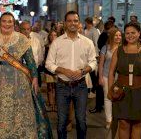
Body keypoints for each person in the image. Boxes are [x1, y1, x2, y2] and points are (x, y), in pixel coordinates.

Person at [0, 12, 52, 138]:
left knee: (18, 112)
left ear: (14, 24)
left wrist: (35, 78)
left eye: (10, 21)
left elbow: (30, 62)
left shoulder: (22, 39)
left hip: (18, 81)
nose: (7, 24)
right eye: (4, 21)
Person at [46, 11, 97, 139]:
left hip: (80, 85)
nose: (72, 23)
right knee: (61, 121)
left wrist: (82, 71)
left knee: (81, 121)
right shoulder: (57, 42)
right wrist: (64, 71)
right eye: (69, 21)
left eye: (75, 20)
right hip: (62, 86)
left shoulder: (87, 42)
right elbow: (49, 64)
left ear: (79, 22)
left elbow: (93, 62)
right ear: (65, 23)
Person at [108, 22, 141, 139]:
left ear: (139, 33)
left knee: (137, 123)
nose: (130, 35)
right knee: (123, 123)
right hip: (122, 92)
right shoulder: (118, 51)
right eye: (127, 33)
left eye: (133, 33)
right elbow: (111, 72)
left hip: (140, 92)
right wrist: (111, 90)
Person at [98, 28, 122, 129]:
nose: (118, 37)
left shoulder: (123, 48)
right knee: (108, 98)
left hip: (120, 77)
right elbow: (101, 64)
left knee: (119, 98)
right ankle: (109, 120)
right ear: (112, 36)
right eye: (116, 35)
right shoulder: (105, 48)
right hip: (106, 76)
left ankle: (118, 118)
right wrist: (100, 77)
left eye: (120, 35)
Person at [44, 30, 58, 112]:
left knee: (56, 88)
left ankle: (56, 105)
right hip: (48, 70)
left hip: (57, 70)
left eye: (55, 35)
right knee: (49, 87)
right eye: (51, 35)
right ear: (49, 36)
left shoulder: (59, 46)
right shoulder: (46, 46)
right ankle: (50, 104)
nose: (53, 37)